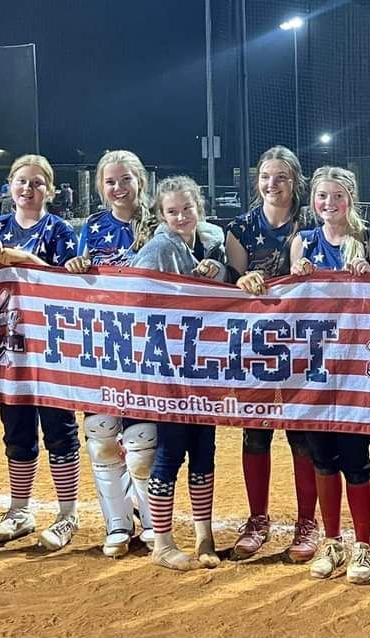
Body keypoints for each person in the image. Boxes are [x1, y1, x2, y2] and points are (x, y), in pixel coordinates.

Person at [0, 154, 82, 551]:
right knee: (16, 426)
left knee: (58, 426)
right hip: (8, 343)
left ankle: (68, 514)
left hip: (51, 345)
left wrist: (27, 259)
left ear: (49, 189)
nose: (28, 189)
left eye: (36, 183)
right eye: (21, 181)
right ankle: (20, 508)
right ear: (9, 187)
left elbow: (70, 285)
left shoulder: (60, 230)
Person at [289, 166, 370, 584]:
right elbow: (293, 303)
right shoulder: (303, 242)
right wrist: (299, 277)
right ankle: (332, 540)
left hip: (356, 368)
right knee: (322, 459)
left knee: (355, 460)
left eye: (338, 197)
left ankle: (362, 545)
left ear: (352, 199)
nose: (329, 205)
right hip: (315, 369)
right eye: (322, 197)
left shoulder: (368, 241)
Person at [225, 146, 320, 562]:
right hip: (256, 346)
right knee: (256, 431)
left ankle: (306, 523)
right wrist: (241, 279)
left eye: (281, 177)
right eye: (265, 176)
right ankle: (257, 518)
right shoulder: (240, 227)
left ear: (295, 181)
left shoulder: (312, 222)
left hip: (305, 345)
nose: (271, 184)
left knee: (303, 435)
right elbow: (231, 283)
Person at [130, 175, 225, 570]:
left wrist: (214, 272)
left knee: (204, 450)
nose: (182, 216)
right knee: (170, 452)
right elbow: (134, 293)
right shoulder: (157, 248)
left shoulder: (210, 241)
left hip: (203, 366)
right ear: (161, 215)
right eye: (172, 211)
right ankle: (162, 542)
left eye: (188, 208)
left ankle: (205, 536)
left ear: (198, 207)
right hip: (169, 368)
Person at [66, 150, 158, 557]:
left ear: (140, 180)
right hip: (103, 344)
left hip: (149, 345)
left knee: (141, 438)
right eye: (110, 182)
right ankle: (117, 524)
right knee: (102, 434)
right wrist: (74, 267)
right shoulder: (93, 226)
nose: (118, 188)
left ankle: (154, 519)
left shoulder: (158, 223)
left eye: (125, 180)